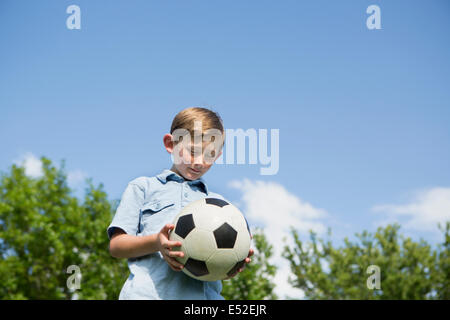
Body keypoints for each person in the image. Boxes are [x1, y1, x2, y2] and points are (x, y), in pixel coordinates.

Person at [107, 107, 253, 300]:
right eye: (193, 151)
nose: (199, 162)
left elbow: (223, 259)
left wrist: (233, 262)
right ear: (170, 144)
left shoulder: (220, 205)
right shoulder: (143, 188)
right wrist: (156, 243)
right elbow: (117, 246)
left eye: (209, 155)